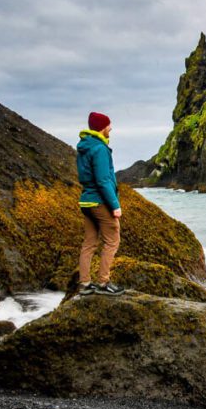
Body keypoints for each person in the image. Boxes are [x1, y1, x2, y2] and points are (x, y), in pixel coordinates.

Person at [76, 111, 125, 295]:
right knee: (112, 240)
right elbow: (103, 180)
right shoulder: (100, 149)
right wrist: (115, 205)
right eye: (108, 125)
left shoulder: (84, 146)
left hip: (86, 201)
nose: (110, 128)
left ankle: (84, 284)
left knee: (89, 243)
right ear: (102, 128)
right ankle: (104, 283)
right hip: (99, 202)